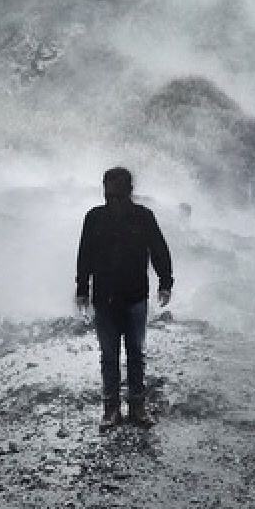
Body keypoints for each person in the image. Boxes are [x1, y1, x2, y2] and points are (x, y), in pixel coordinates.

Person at [75, 167, 174, 430]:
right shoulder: (94, 218)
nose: (113, 201)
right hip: (105, 298)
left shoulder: (143, 217)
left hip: (134, 297)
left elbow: (159, 250)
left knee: (135, 354)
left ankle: (137, 407)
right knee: (109, 356)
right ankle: (111, 409)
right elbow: (84, 254)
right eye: (109, 196)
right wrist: (82, 289)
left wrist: (166, 282)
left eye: (118, 195)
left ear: (129, 192)